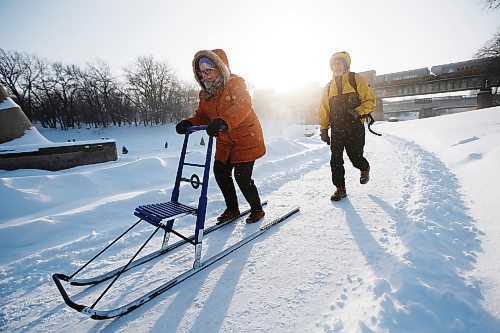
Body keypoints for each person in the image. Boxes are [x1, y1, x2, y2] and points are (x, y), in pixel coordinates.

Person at [176, 49, 266, 223]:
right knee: (220, 172)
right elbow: (202, 115)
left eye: (209, 70)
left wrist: (224, 120)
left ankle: (257, 209)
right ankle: (232, 208)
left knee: (242, 177)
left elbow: (243, 106)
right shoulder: (205, 94)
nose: (205, 76)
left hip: (246, 137)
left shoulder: (236, 83)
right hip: (225, 141)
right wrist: (189, 122)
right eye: (201, 72)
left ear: (221, 68)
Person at [318, 51, 376, 201]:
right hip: (337, 128)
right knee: (335, 159)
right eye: (335, 65)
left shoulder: (355, 79)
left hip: (354, 127)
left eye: (340, 64)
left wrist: (358, 111)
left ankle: (363, 167)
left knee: (355, 157)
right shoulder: (328, 87)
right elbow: (324, 109)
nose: (337, 67)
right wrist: (324, 128)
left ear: (346, 65)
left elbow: (370, 100)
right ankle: (340, 188)